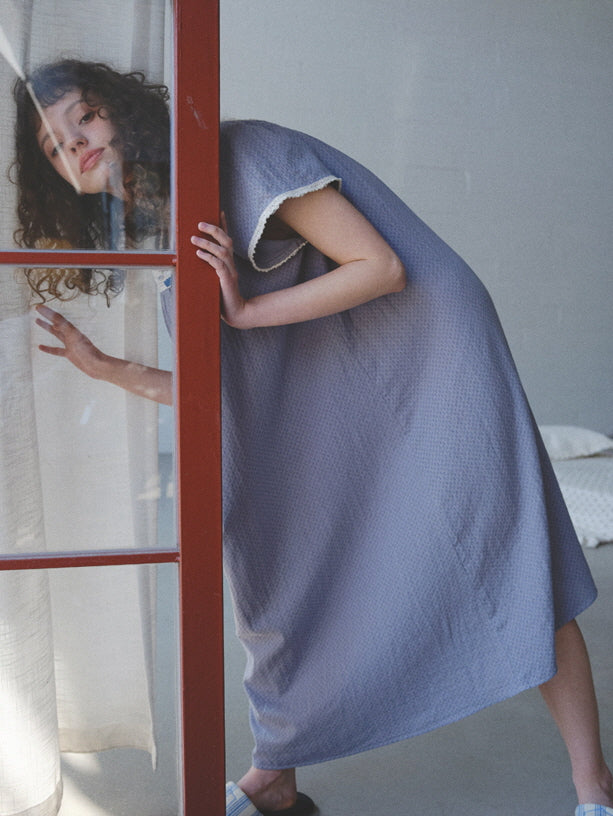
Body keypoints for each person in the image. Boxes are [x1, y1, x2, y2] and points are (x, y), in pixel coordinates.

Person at [13, 59, 613, 816]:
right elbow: (219, 391)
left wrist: (244, 312)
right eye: (54, 145)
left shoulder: (242, 152)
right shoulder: (163, 231)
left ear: (124, 108)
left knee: (509, 550)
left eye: (85, 115)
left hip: (429, 352)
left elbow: (381, 268)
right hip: (332, 390)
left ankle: (593, 786)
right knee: (272, 568)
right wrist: (108, 369)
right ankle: (275, 773)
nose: (76, 143)